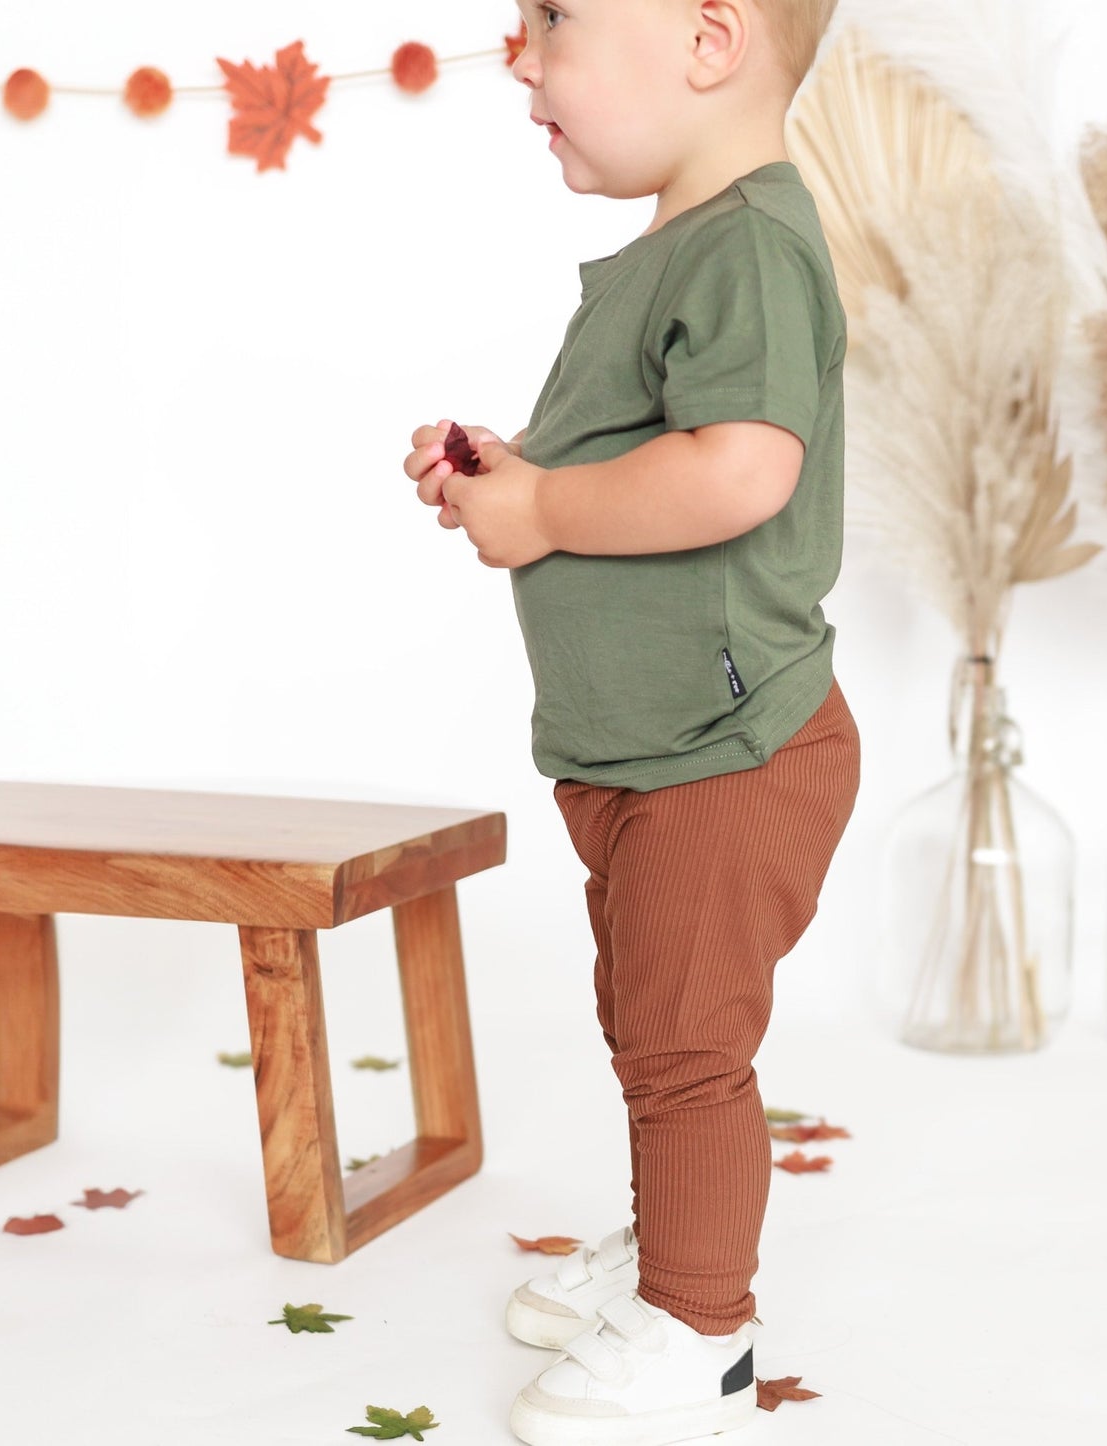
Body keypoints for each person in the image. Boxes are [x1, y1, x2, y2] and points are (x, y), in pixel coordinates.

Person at [404, 1, 854, 1441]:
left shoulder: (750, 248)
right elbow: (640, 450)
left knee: (682, 1042)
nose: (518, 53)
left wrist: (541, 508)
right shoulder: (685, 248)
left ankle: (700, 1327)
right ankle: (673, 1236)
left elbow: (738, 471)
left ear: (710, 42)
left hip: (724, 753)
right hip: (647, 748)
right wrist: (515, 468)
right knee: (647, 1016)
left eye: (555, 14)